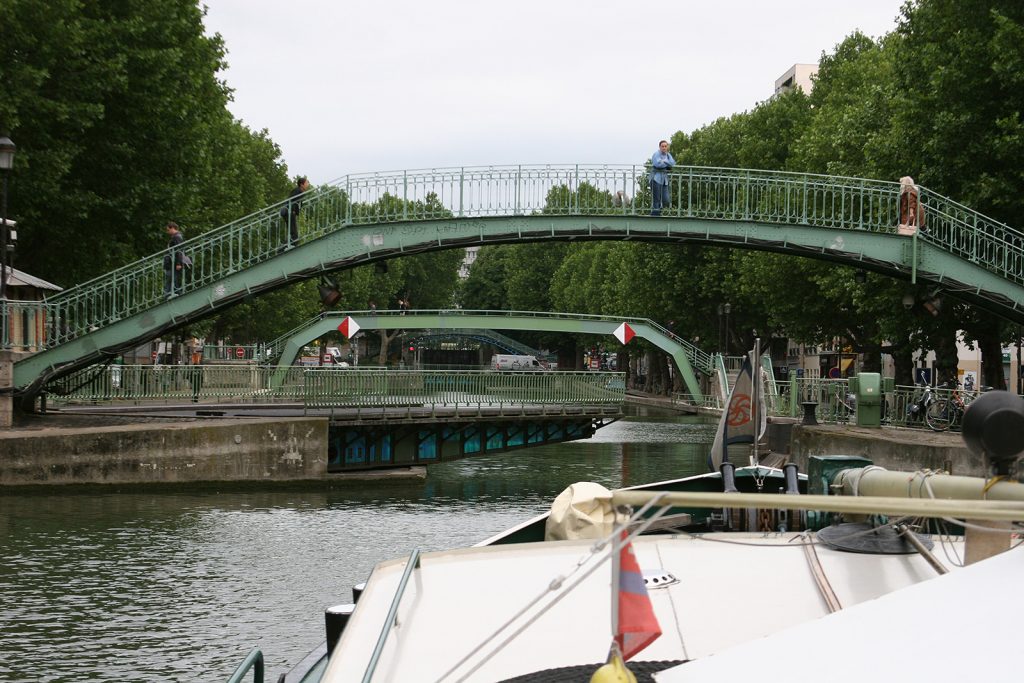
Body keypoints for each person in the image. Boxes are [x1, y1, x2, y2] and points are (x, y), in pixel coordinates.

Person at [283, 176, 310, 248]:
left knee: (292, 231)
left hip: (288, 211)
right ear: (302, 184)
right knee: (293, 232)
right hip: (289, 211)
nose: (308, 184)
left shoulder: (298, 191)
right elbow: (293, 200)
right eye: (307, 182)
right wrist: (294, 210)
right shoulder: (298, 191)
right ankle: (287, 246)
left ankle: (287, 245)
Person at [650, 140, 675, 216]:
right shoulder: (656, 154)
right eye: (662, 146)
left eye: (665, 146)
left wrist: (664, 161)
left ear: (667, 147)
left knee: (666, 199)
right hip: (656, 178)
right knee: (656, 199)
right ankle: (655, 215)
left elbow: (673, 163)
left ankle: (658, 212)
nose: (664, 148)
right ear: (660, 147)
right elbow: (657, 164)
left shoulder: (668, 155)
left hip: (664, 180)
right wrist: (667, 164)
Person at [163, 222, 185, 298]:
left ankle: (168, 294)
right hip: (172, 262)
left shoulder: (177, 237)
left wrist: (178, 263)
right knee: (172, 279)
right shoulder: (176, 237)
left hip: (174, 262)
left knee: (171, 278)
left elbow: (179, 250)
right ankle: (172, 294)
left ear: (172, 228)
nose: (167, 232)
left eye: (168, 230)